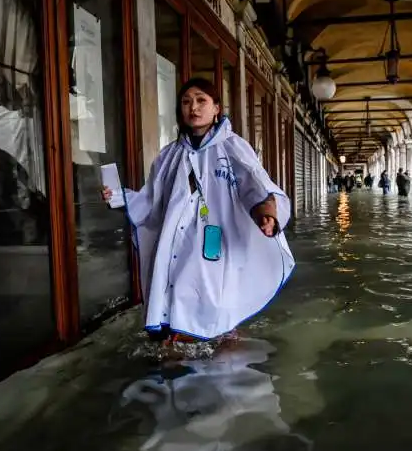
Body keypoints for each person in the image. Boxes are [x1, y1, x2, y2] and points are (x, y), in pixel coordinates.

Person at [101, 78, 294, 343]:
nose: (193, 107)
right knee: (179, 295)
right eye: (186, 101)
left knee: (217, 304)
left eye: (201, 100)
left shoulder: (233, 148)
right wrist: (120, 197)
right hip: (178, 244)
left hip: (218, 242)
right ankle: (182, 359)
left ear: (216, 108)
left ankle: (219, 352)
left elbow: (255, 184)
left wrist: (267, 213)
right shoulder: (169, 155)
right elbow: (151, 199)